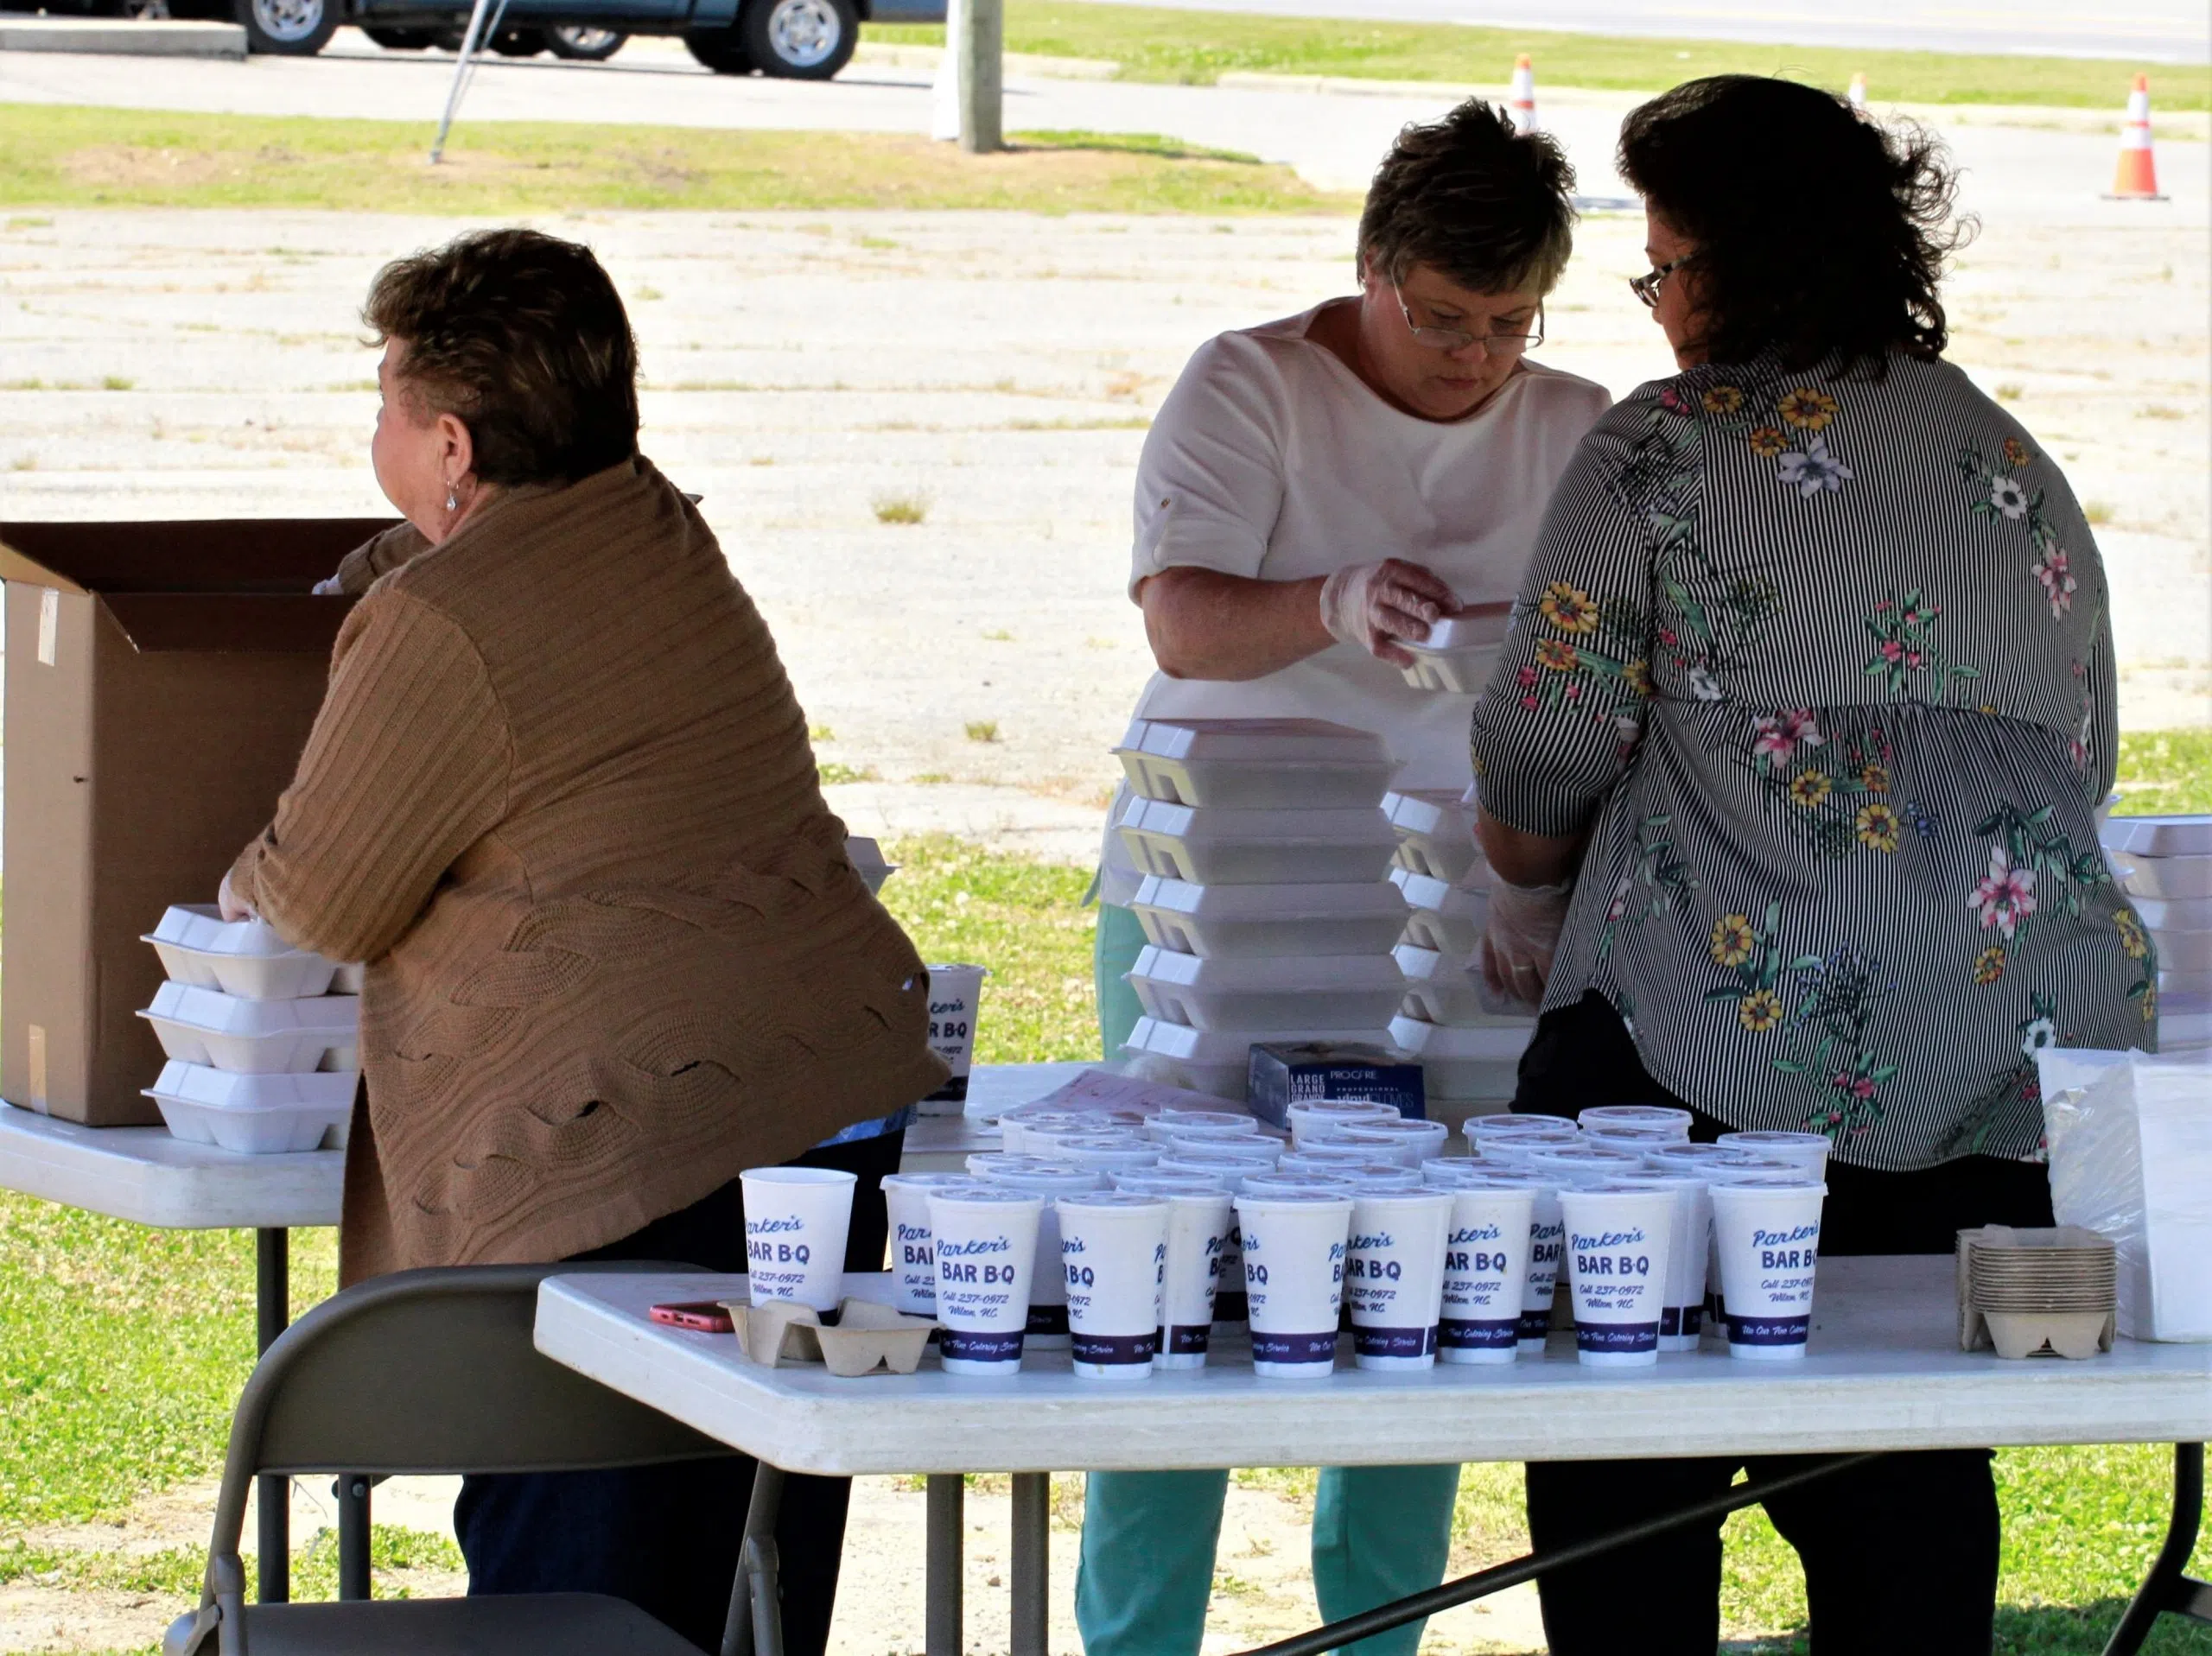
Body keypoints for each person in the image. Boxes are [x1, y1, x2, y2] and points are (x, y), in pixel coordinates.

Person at [1469, 76, 2143, 1655]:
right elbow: (2084, 761)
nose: (1656, 304)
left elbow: (1542, 750)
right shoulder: (2005, 457)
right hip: (1990, 1065)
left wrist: (1525, 875)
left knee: (1627, 1451)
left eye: (1662, 267)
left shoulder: (1663, 449)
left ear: (1737, 267)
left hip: (1704, 1057)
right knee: (1901, 1473)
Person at [219, 227, 947, 1654]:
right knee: (747, 1589)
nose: (376, 433)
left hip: (617, 1159)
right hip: (820, 1132)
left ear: (450, 443)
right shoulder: (658, 527)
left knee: (587, 1593)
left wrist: (247, 874)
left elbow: (328, 897)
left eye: (384, 405)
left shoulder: (438, 625)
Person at [1084, 100, 1611, 1656]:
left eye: (1511, 322)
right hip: (1222, 887)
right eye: (1443, 317)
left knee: (1415, 1293)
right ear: (1371, 266)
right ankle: (1137, 1644)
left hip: (1469, 889)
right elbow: (1182, 622)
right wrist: (1330, 600)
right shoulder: (1250, 384)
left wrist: (1538, 879)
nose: (1476, 357)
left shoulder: (1577, 424)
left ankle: (1375, 1638)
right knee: (1170, 1295)